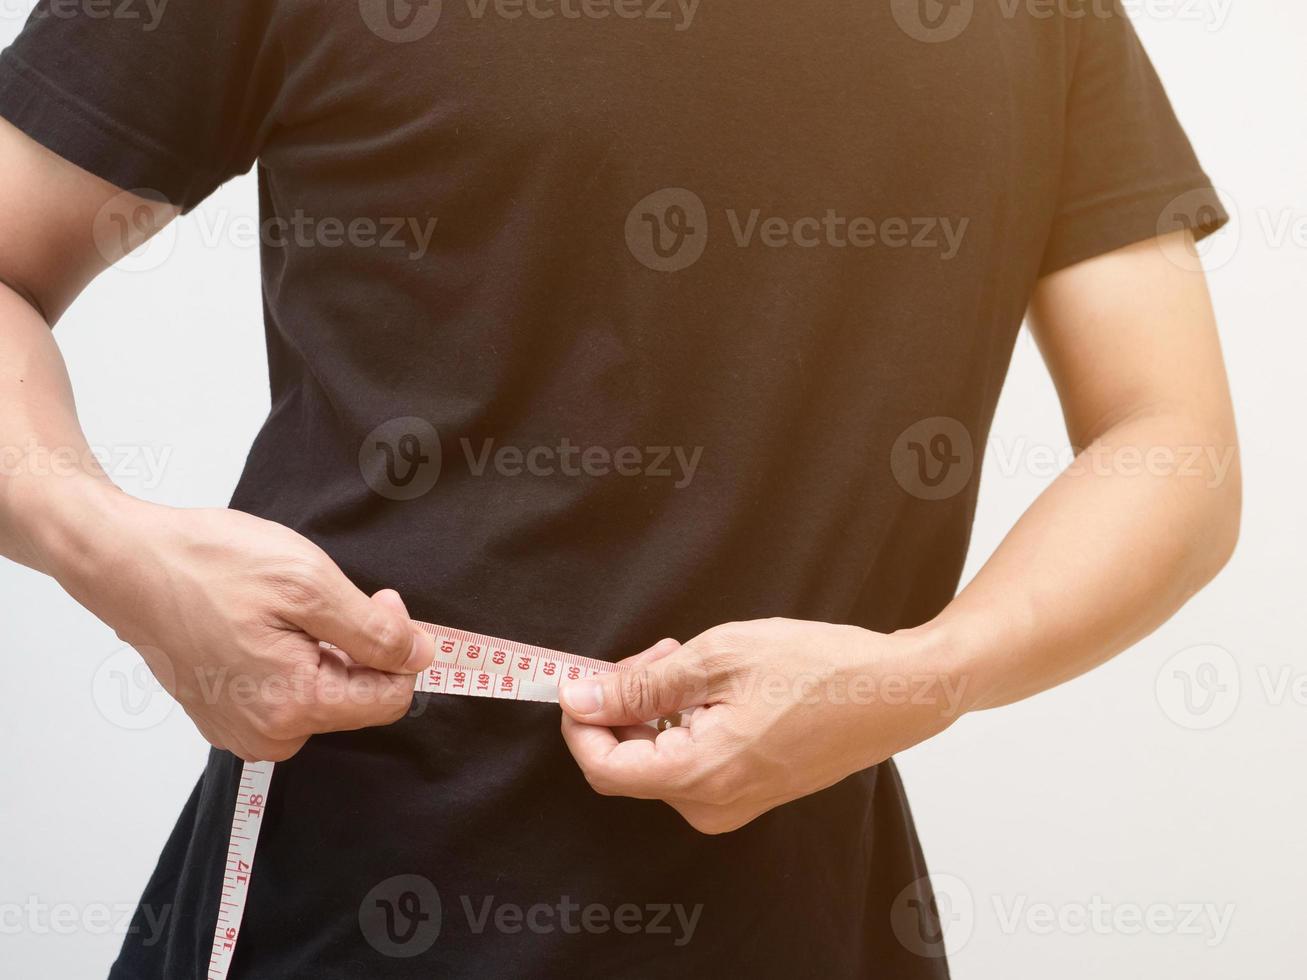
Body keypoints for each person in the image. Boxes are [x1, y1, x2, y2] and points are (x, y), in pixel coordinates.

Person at [0, 1, 1240, 976]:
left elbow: (1168, 437)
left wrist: (926, 670)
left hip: (807, 928)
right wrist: (113, 548)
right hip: (342, 911)